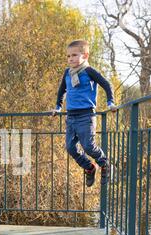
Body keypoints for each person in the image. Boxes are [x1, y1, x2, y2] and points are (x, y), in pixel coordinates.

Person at [51, 39, 116, 186]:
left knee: (88, 145)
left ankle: (105, 164)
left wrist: (110, 102)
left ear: (85, 56)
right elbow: (62, 90)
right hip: (71, 116)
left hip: (86, 115)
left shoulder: (89, 71)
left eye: (74, 55)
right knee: (70, 147)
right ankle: (89, 167)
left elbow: (106, 84)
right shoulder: (67, 73)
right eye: (68, 56)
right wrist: (58, 107)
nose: (70, 58)